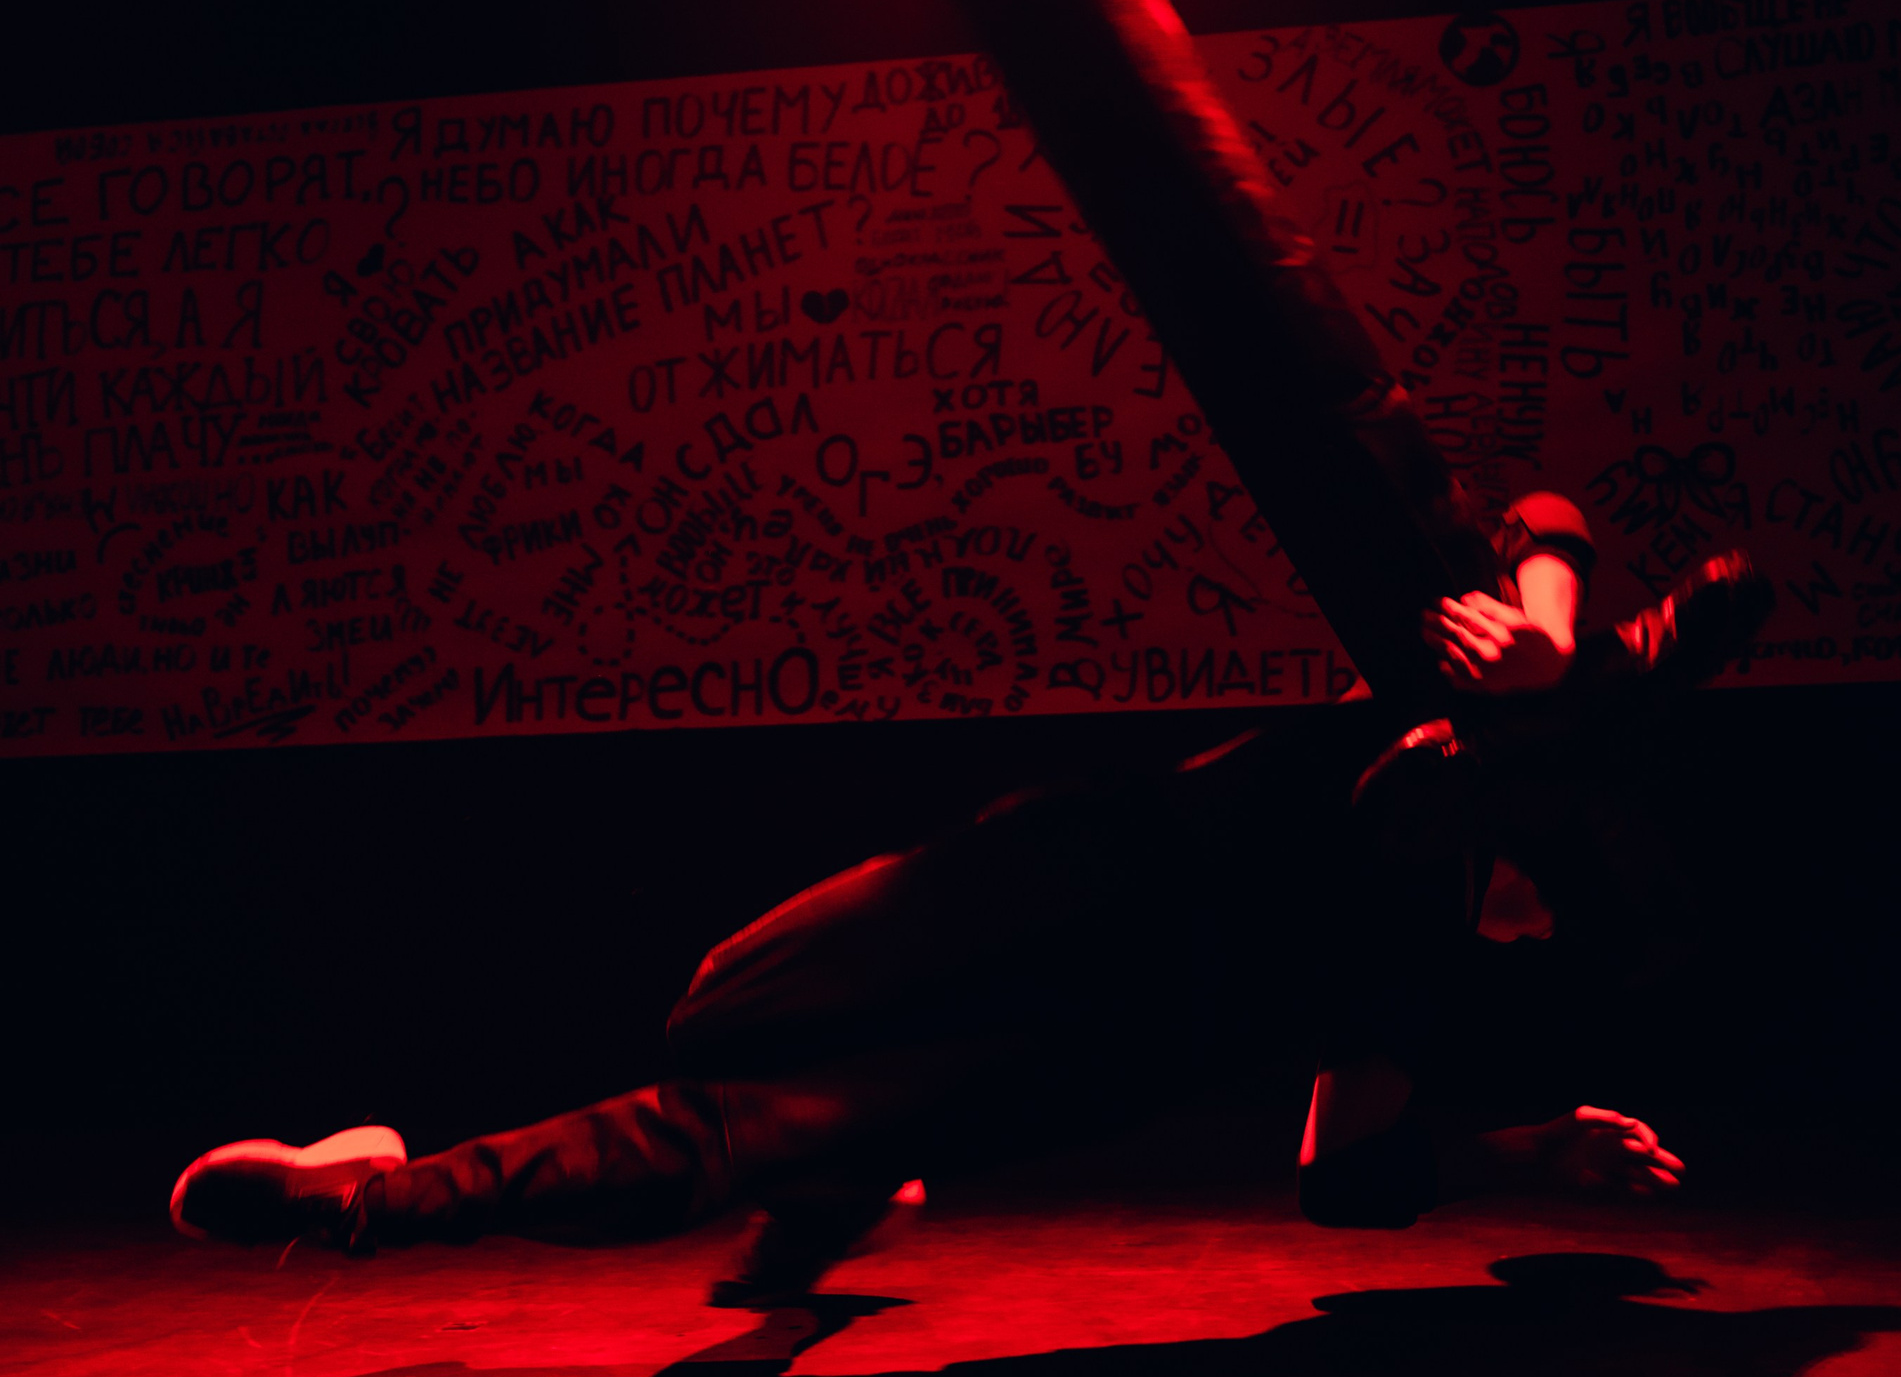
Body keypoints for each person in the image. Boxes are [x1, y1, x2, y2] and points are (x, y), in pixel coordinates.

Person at [169, 494, 1770, 1292]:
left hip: (1079, 1054)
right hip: (1056, 873)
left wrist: (1517, 1150)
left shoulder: (1430, 958)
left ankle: (362, 1198)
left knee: (719, 1130)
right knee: (724, 1008)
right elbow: (1540, 517)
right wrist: (1554, 631)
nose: (1536, 906)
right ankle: (836, 1193)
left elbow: (1345, 1180)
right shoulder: (1459, 692)